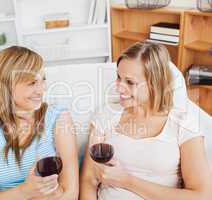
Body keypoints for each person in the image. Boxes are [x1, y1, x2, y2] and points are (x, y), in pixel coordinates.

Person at [80, 42, 212, 200]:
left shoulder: (183, 123)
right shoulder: (106, 114)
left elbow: (202, 195)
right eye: (118, 77)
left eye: (130, 82)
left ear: (154, 84)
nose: (119, 88)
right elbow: (89, 179)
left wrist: (127, 181)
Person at [0, 46, 79, 200]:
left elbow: (70, 193)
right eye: (32, 83)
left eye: (43, 79)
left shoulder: (57, 118)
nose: (41, 90)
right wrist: (23, 192)